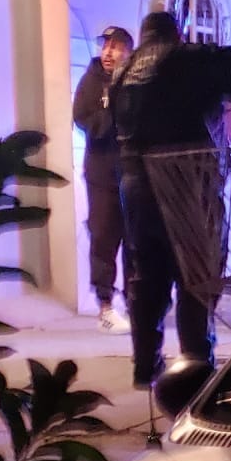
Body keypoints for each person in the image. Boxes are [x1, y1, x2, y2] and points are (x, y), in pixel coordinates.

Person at [110, 10, 231, 388]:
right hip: (187, 182)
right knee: (197, 271)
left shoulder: (123, 71)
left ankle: (146, 365)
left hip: (136, 185)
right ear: (176, 34)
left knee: (146, 276)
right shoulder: (186, 58)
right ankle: (196, 361)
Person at [71, 25, 134, 333]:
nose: (108, 52)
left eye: (117, 46)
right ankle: (106, 307)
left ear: (128, 52)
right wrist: (111, 110)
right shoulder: (92, 81)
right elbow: (84, 119)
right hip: (102, 175)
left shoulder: (137, 82)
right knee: (104, 239)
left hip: (134, 177)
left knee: (137, 242)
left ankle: (139, 304)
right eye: (105, 45)